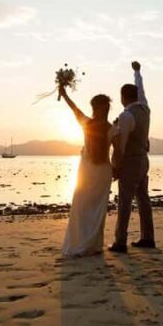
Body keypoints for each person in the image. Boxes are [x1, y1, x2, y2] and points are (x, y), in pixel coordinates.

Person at [59, 86, 117, 257]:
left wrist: (64, 95)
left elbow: (74, 108)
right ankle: (94, 245)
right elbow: (119, 152)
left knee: (82, 209)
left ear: (94, 108)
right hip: (103, 172)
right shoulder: (113, 129)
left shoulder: (86, 123)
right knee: (98, 209)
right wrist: (117, 169)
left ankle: (80, 244)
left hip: (87, 171)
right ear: (107, 109)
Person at [109, 61, 155, 253]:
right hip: (144, 160)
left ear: (122, 97)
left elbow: (121, 145)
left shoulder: (126, 116)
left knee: (125, 201)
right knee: (143, 199)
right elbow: (141, 87)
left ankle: (120, 241)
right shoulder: (144, 107)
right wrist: (137, 71)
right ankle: (148, 237)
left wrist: (116, 167)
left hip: (131, 162)